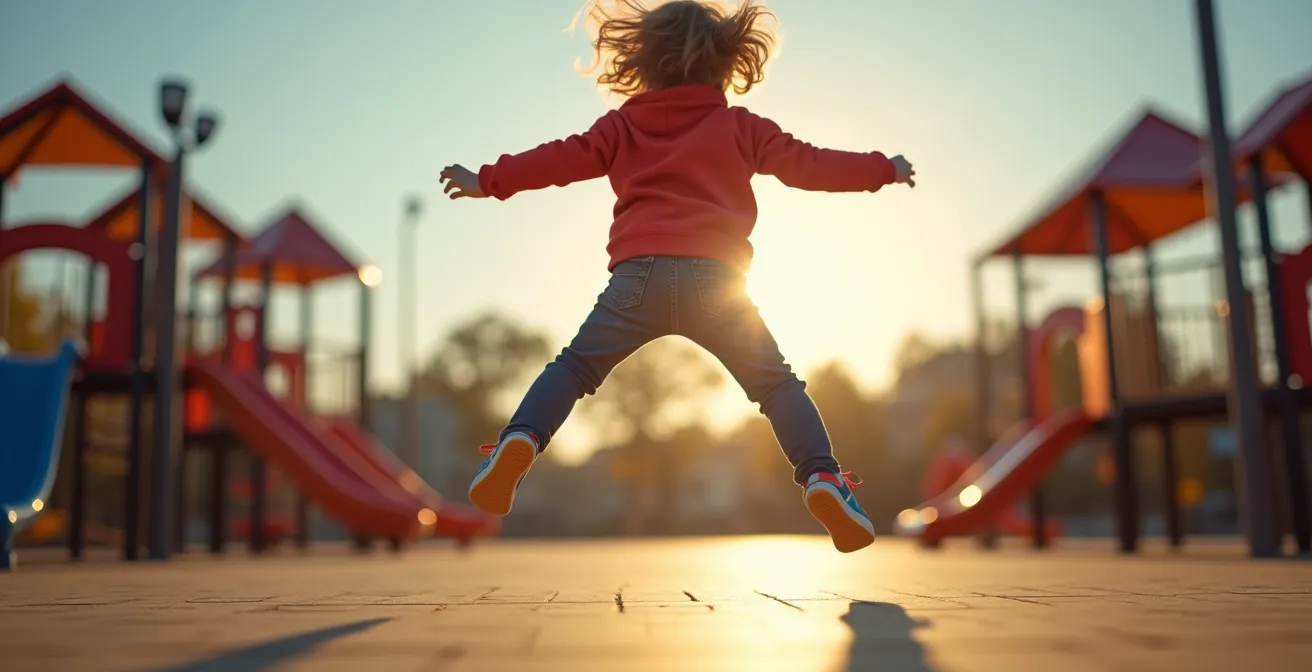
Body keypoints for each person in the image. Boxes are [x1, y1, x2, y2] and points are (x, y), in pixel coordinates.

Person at [439, 0, 915, 553]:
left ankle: (517, 441)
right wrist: (884, 169)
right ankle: (822, 478)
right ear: (725, 62)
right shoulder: (741, 126)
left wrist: (487, 180)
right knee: (777, 386)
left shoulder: (622, 125)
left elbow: (561, 159)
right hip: (719, 284)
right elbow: (811, 164)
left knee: (572, 369)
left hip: (635, 280)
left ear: (644, 61)